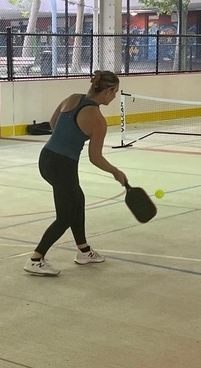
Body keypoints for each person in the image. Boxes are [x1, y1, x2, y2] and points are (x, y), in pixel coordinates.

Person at [25, 70, 126, 276]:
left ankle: (83, 250)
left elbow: (54, 124)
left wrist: (69, 135)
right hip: (63, 165)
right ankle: (36, 258)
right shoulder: (97, 119)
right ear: (107, 91)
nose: (114, 96)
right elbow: (95, 157)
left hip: (47, 158)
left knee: (77, 200)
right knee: (66, 215)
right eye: (114, 92)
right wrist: (115, 172)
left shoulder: (72, 98)